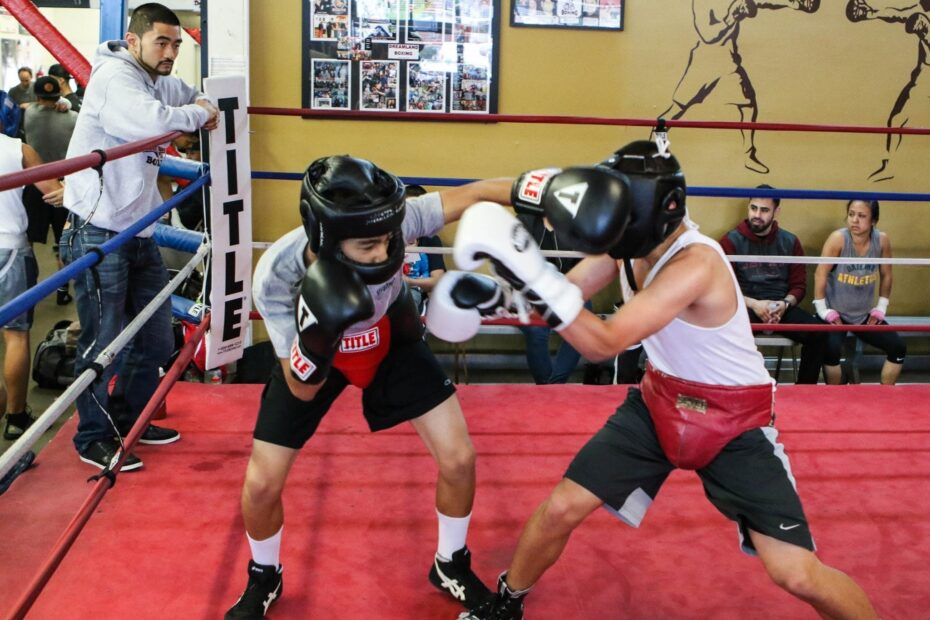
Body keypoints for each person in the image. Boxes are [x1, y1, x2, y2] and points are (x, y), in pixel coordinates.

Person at [432, 140, 877, 620]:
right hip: (658, 402)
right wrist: (500, 294)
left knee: (795, 573)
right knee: (561, 508)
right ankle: (506, 603)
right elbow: (565, 295)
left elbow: (604, 342)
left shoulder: (697, 263)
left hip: (733, 423)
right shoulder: (627, 246)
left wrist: (530, 274)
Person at [224, 155, 513, 619]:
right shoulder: (277, 276)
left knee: (460, 458)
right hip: (315, 355)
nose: (383, 253)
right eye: (368, 246)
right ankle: (264, 576)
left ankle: (450, 562)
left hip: (391, 335)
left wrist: (546, 192)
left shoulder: (397, 220)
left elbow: (476, 193)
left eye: (387, 242)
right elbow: (301, 389)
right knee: (260, 484)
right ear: (327, 238)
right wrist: (320, 335)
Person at [58, 2, 219, 472]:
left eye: (175, 43)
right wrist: (193, 113)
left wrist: (201, 107)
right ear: (134, 41)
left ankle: (130, 421)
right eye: (161, 42)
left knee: (153, 341)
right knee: (103, 343)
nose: (170, 51)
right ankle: (92, 437)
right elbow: (152, 122)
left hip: (138, 230)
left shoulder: (159, 80)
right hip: (96, 230)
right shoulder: (115, 77)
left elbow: (194, 99)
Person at [718, 185, 826, 383]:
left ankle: (805, 391)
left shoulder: (790, 241)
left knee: (819, 333)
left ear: (776, 212)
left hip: (781, 307)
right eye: (753, 208)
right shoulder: (730, 241)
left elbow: (799, 286)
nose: (757, 215)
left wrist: (784, 304)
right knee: (722, 331)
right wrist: (754, 304)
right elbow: (724, 288)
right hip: (746, 305)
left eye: (764, 210)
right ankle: (735, 388)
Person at [0, 131, 64, 441]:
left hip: (11, 249)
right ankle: (16, 416)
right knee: (15, 336)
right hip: (10, 250)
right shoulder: (18, 149)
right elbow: (54, 192)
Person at [813, 199, 905, 385]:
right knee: (830, 351)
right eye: (851, 214)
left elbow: (887, 275)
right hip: (835, 313)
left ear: (873, 220)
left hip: (863, 315)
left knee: (898, 348)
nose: (855, 220)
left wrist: (881, 307)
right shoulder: (838, 239)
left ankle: (885, 396)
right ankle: (835, 399)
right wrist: (823, 310)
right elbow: (820, 274)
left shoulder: (881, 240)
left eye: (861, 216)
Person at [23, 75, 79, 306]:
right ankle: (62, 290)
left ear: (37, 97)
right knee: (62, 243)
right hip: (63, 186)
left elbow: (25, 106)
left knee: (27, 240)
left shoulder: (30, 115)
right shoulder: (74, 117)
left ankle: (26, 287)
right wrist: (67, 104)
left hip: (35, 185)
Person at [515, 212, 587, 384]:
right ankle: (545, 386)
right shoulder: (525, 220)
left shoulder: (574, 225)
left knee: (582, 322)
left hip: (564, 291)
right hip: (530, 292)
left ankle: (556, 384)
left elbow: (582, 268)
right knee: (536, 330)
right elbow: (514, 262)